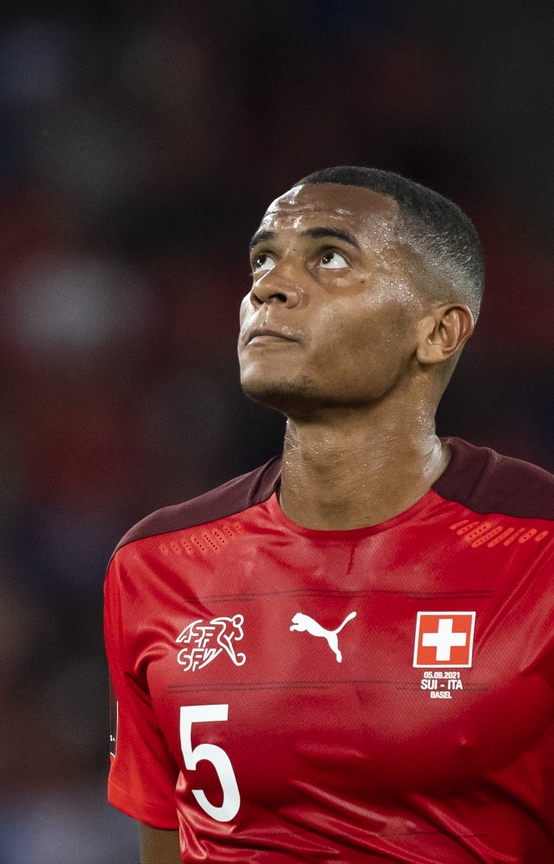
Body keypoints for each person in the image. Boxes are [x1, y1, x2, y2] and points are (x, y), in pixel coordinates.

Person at [103, 166, 554, 863]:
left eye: (330, 257)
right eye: (262, 258)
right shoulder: (156, 563)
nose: (268, 286)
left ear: (438, 333)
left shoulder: (538, 548)